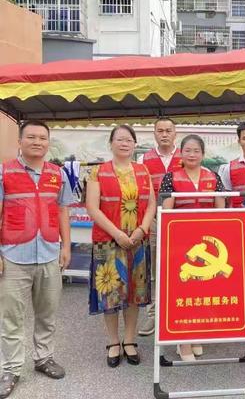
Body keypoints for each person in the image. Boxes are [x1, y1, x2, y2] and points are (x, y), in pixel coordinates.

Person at [0, 120, 74, 399]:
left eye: (43, 138)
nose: (37, 142)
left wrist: (66, 247)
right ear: (20, 141)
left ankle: (44, 358)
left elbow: (64, 211)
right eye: (31, 137)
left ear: (48, 143)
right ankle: (11, 369)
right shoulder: (4, 172)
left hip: (48, 254)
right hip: (13, 256)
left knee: (47, 313)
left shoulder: (58, 174)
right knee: (11, 318)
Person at [86, 125, 156, 368]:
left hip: (138, 241)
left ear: (135, 144)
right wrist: (117, 233)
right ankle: (113, 342)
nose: (124, 143)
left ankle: (129, 340)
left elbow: (151, 206)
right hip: (109, 241)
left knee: (135, 294)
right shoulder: (98, 172)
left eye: (129, 140)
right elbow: (92, 208)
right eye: (120, 139)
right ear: (111, 143)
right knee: (111, 294)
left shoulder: (143, 170)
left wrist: (141, 230)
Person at [160, 134, 226, 361]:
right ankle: (183, 342)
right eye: (187, 150)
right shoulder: (171, 177)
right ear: (181, 153)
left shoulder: (214, 177)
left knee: (202, 292)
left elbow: (221, 210)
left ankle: (195, 334)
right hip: (182, 244)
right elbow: (166, 211)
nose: (192, 155)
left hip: (207, 245)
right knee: (184, 291)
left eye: (196, 151)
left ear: (203, 154)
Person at [138, 117, 182, 337]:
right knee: (154, 270)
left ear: (176, 133)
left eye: (168, 130)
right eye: (160, 131)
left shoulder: (186, 156)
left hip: (182, 221)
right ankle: (153, 315)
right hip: (154, 219)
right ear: (154, 133)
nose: (164, 134)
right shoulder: (143, 158)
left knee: (182, 268)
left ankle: (179, 312)